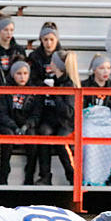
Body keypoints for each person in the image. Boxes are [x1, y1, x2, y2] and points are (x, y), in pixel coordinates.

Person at [35, 51, 77, 185]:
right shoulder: (52, 80)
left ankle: (73, 175)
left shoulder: (69, 84)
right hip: (52, 120)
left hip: (66, 123)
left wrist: (55, 93)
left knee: (61, 140)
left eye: (53, 61)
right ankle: (45, 176)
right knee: (44, 132)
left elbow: (69, 112)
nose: (50, 63)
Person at [0, 60, 40, 185]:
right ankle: (4, 174)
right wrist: (15, 127)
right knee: (7, 137)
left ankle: (29, 175)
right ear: (13, 74)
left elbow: (36, 115)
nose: (22, 77)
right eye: (19, 73)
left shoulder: (34, 91)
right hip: (9, 124)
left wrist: (26, 126)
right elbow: (2, 114)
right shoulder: (6, 89)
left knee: (32, 137)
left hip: (26, 124)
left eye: (25, 73)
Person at [80, 54, 111, 187]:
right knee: (89, 137)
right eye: (102, 68)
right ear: (95, 70)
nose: (106, 71)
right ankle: (90, 177)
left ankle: (107, 176)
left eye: (108, 68)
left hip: (107, 121)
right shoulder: (84, 85)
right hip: (89, 120)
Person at [0, 15, 26, 86]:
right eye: (6, 30)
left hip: (14, 91)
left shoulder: (19, 50)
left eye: (11, 30)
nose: (9, 33)